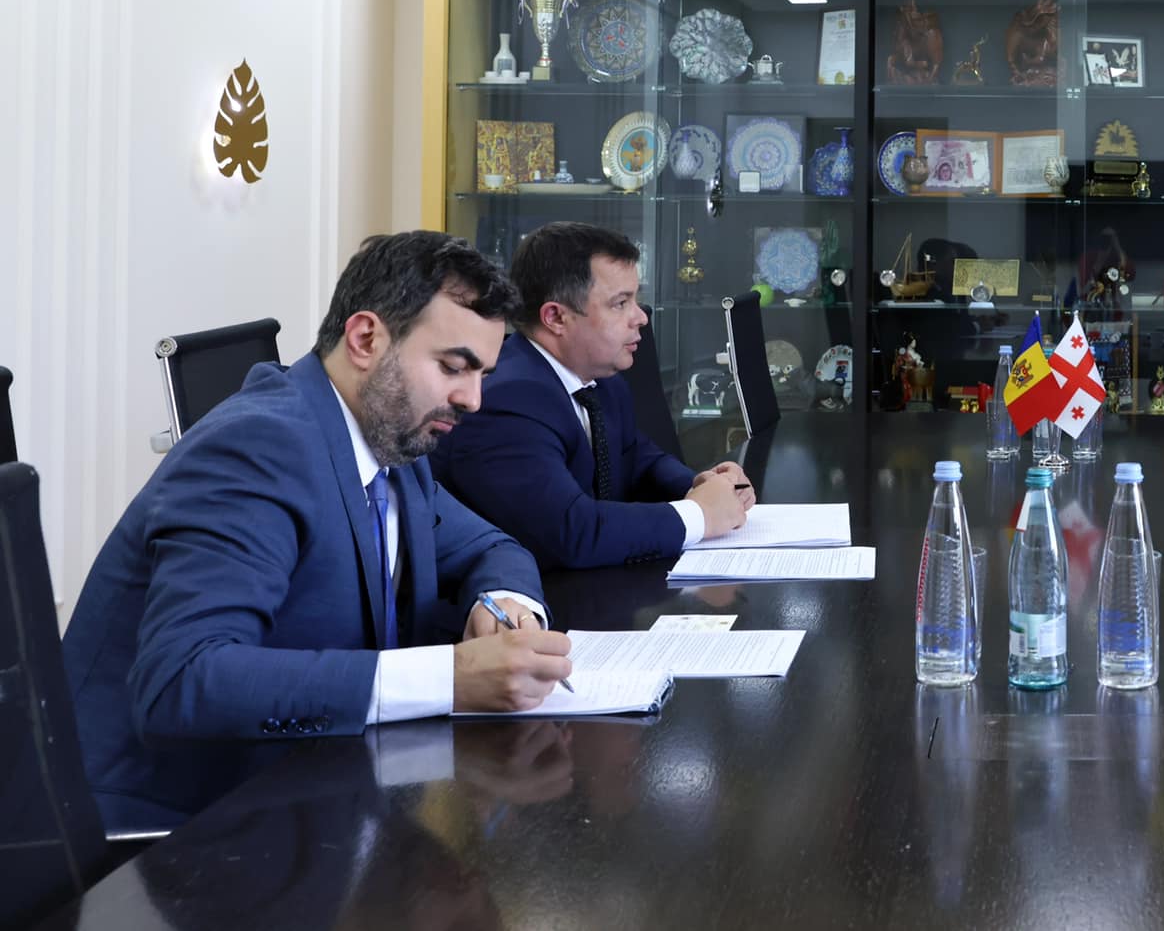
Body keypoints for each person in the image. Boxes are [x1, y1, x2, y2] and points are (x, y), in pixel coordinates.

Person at [63, 232, 570, 830]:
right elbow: (184, 679)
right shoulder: (258, 447)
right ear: (365, 339)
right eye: (454, 367)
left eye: (482, 373)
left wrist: (502, 604)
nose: (474, 399)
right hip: (167, 832)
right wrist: (453, 678)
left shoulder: (391, 437)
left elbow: (491, 546)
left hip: (318, 796)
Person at [433, 222, 751, 570]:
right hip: (533, 596)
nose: (641, 318)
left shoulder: (602, 380)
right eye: (621, 303)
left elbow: (639, 461)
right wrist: (700, 514)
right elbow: (573, 532)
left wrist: (706, 484)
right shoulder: (507, 401)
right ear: (556, 317)